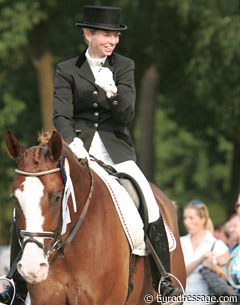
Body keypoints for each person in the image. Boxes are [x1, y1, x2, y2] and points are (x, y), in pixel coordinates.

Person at [0, 5, 181, 304]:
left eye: (115, 35)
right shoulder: (67, 69)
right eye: (106, 34)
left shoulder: (125, 66)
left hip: (117, 151)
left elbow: (126, 116)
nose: (112, 40)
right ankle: (16, 283)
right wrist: (72, 141)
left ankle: (164, 279)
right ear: (88, 34)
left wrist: (113, 93)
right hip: (75, 149)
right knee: (33, 198)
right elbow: (60, 115)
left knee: (146, 200)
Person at [180, 199, 229, 305]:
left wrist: (213, 267)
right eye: (185, 218)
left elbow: (227, 280)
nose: (187, 222)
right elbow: (179, 274)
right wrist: (200, 260)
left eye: (191, 218)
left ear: (203, 220)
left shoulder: (217, 245)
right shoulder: (180, 242)